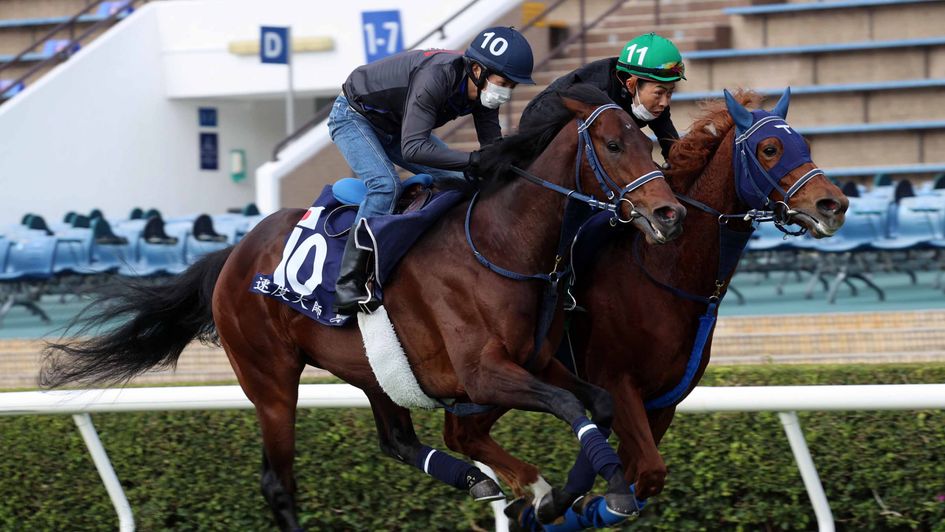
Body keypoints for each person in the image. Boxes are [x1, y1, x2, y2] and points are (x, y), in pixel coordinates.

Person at [328, 26, 535, 314]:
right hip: (353, 117)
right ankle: (348, 282)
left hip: (397, 127)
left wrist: (511, 169)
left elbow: (491, 150)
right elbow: (414, 148)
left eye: (513, 86)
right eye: (505, 82)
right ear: (477, 69)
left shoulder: (482, 91)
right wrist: (472, 160)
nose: (507, 92)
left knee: (468, 179)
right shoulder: (436, 77)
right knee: (385, 185)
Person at [519, 32, 684, 164]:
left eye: (670, 93)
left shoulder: (655, 99)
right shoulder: (597, 94)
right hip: (540, 135)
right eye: (659, 93)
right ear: (631, 84)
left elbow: (673, 148)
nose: (665, 102)